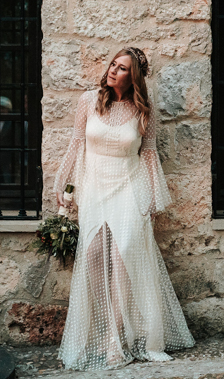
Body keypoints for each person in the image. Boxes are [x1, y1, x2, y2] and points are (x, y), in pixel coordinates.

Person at [53, 46, 195, 370]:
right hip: (95, 189)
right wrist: (61, 182)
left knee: (123, 257)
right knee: (92, 259)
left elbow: (148, 154)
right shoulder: (89, 101)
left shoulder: (143, 110)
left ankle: (115, 341)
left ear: (134, 78)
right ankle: (105, 332)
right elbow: (77, 143)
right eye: (113, 65)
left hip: (131, 188)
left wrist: (154, 199)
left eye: (122, 69)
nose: (113, 71)